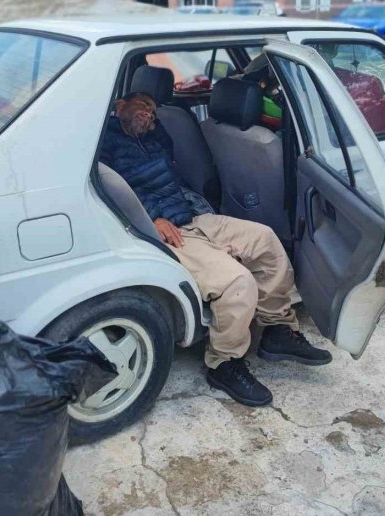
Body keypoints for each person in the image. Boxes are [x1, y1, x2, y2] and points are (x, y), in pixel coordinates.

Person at [100, 92, 332, 407]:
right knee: (236, 283)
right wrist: (150, 219)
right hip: (165, 231)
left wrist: (154, 129)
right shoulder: (102, 142)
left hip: (192, 216)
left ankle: (277, 330)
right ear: (119, 107)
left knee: (265, 240)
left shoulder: (154, 134)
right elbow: (108, 192)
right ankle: (224, 364)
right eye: (142, 107)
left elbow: (171, 171)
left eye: (153, 110)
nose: (149, 115)